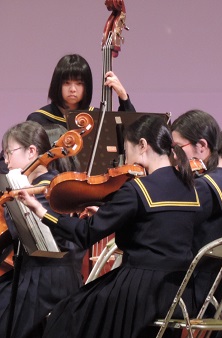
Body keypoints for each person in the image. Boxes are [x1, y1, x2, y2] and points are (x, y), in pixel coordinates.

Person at [17, 115, 201, 338]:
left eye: (126, 149)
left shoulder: (137, 189)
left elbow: (84, 234)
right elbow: (158, 228)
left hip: (141, 290)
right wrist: (112, 216)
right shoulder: (189, 187)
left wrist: (41, 211)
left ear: (142, 145)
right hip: (178, 291)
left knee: (67, 313)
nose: (125, 158)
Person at [0, 121, 86, 338]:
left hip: (47, 280)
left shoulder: (48, 188)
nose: (6, 160)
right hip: (41, 276)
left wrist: (13, 202)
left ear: (31, 151)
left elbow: (32, 237)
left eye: (9, 152)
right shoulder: (38, 185)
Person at [171, 109, 222, 312]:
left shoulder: (204, 187)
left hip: (188, 294)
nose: (175, 156)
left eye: (178, 148)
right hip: (214, 292)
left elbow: (170, 230)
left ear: (202, 146)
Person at [27, 54, 134, 126]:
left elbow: (131, 133)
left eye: (79, 83)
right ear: (57, 85)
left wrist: (123, 96)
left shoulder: (97, 118)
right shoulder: (38, 120)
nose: (72, 89)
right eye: (67, 83)